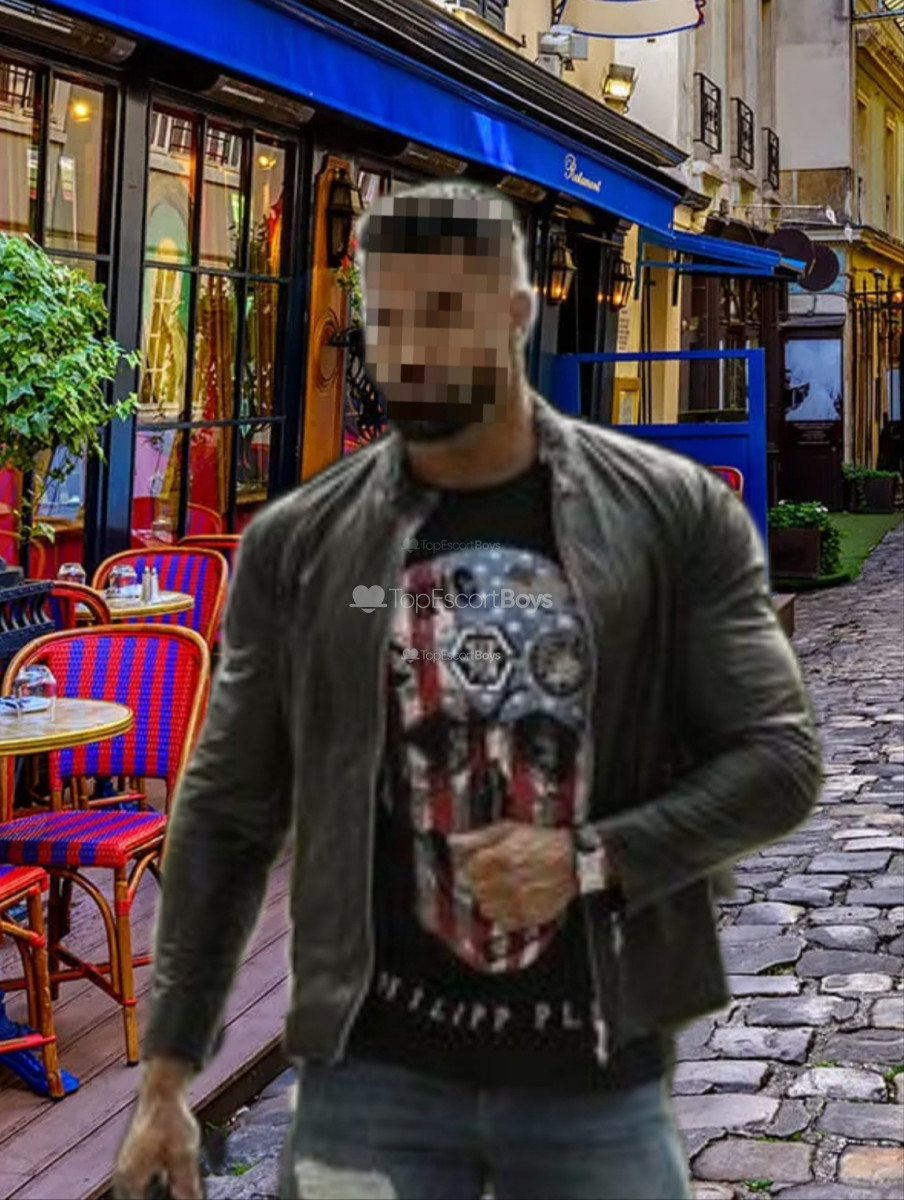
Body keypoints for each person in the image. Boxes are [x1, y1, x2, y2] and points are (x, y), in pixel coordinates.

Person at [113, 180, 822, 1200]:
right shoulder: (299, 546)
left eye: (445, 312)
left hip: (596, 1071)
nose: (413, 347)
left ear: (517, 313)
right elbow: (229, 806)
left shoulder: (666, 514)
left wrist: (589, 859)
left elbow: (778, 760)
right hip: (369, 1071)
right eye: (389, 318)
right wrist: (166, 1072)